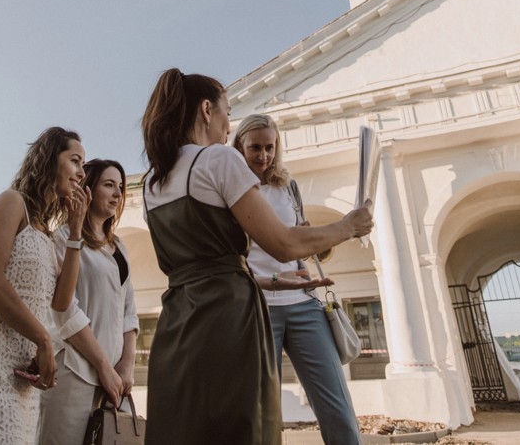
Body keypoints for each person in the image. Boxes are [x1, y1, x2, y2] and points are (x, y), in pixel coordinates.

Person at [141, 68, 373, 445]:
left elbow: (196, 263)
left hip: (178, 319)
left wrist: (275, 278)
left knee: (186, 430)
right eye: (226, 112)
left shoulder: (154, 180)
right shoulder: (218, 159)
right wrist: (349, 225)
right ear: (206, 110)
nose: (227, 124)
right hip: (230, 314)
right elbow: (283, 243)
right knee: (244, 428)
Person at [0, 127, 91, 445]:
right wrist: (44, 341)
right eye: (75, 160)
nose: (82, 172)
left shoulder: (47, 234)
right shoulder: (11, 203)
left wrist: (76, 230)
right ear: (51, 159)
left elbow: (61, 302)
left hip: (23, 386)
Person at [233, 113, 363, 445]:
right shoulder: (230, 189)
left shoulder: (288, 187)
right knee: (264, 417)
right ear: (239, 147)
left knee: (339, 411)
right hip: (259, 310)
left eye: (270, 148)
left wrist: (316, 243)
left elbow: (301, 243)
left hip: (305, 304)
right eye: (255, 148)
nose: (264, 156)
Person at [38, 158, 139, 445]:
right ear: (87, 190)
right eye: (109, 185)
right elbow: (66, 310)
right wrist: (104, 367)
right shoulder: (61, 240)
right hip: (75, 372)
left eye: (121, 187)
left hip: (115, 383)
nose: (118, 194)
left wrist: (126, 365)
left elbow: (129, 310)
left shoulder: (119, 247)